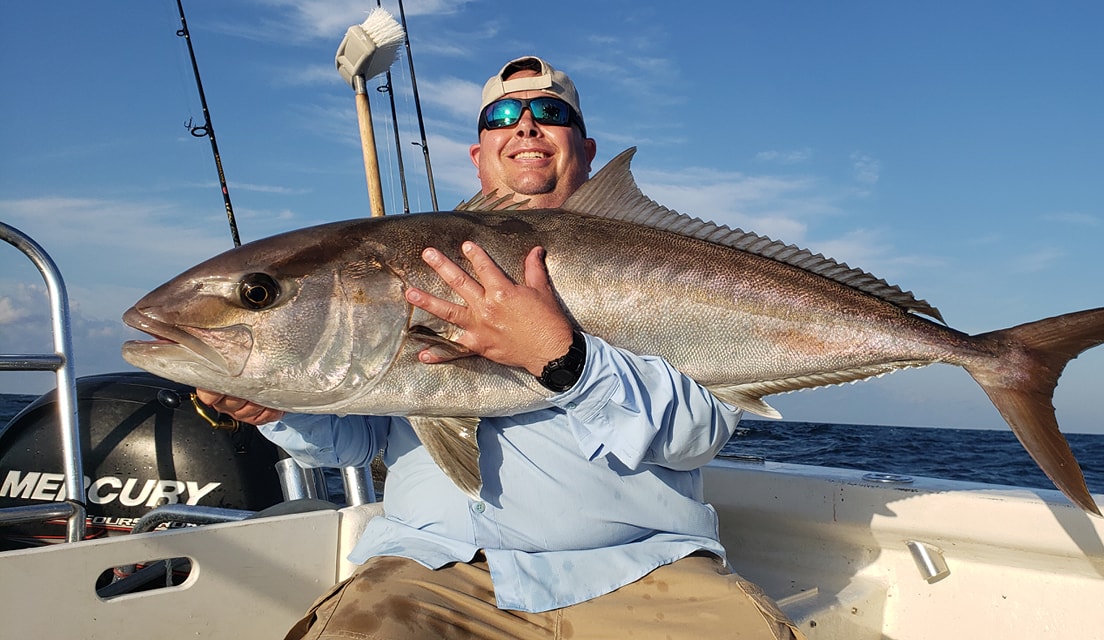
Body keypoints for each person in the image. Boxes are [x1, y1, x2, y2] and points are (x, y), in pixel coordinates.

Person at [199, 56, 804, 640]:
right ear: (478, 154)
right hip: (433, 575)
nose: (525, 125)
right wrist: (277, 408)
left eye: (549, 111)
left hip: (646, 572)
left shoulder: (668, 262)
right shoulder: (421, 262)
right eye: (501, 116)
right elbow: (360, 442)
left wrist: (563, 358)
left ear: (586, 151)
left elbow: (694, 438)